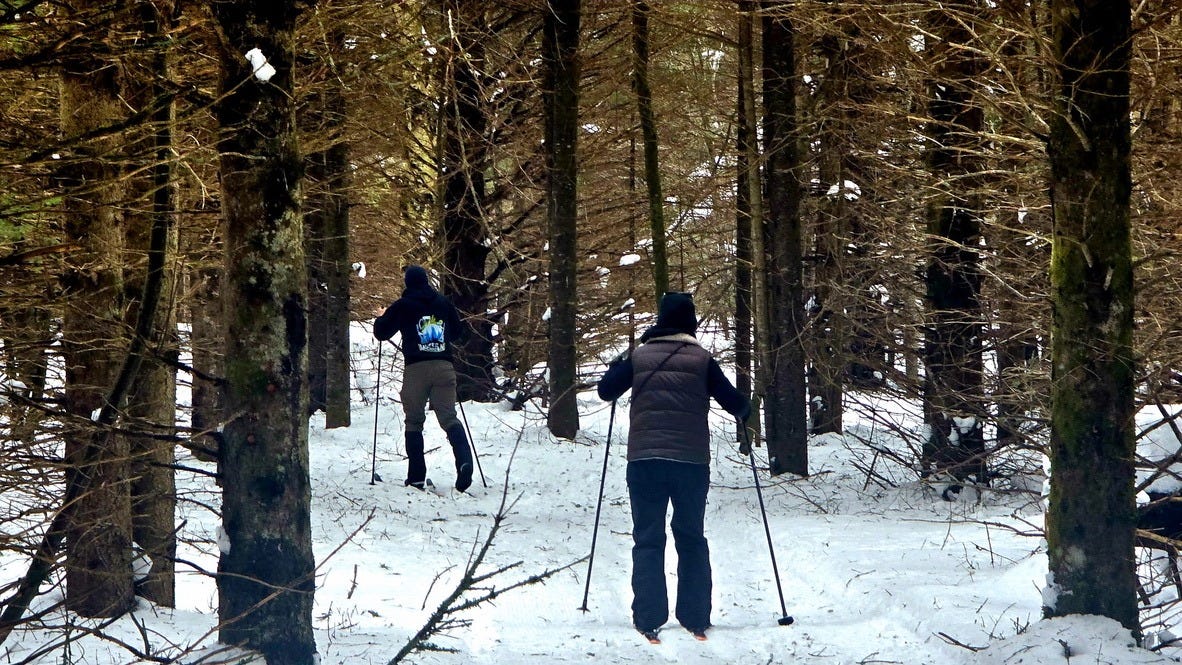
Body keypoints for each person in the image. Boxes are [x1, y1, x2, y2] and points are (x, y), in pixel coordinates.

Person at [596, 292, 750, 642]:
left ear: (661, 320)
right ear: (690, 323)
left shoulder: (639, 357)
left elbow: (606, 391)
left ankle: (648, 617)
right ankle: (695, 617)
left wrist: (617, 366)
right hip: (690, 463)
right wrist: (746, 409)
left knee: (648, 537)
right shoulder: (702, 360)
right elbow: (735, 404)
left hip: (645, 461)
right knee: (691, 536)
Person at [374, 265, 474, 492]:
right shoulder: (443, 303)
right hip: (444, 366)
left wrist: (380, 318)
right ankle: (464, 462)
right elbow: (458, 333)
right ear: (426, 281)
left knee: (414, 421)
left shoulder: (404, 305)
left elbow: (382, 333)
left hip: (416, 368)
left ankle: (416, 477)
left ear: (407, 283)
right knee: (449, 418)